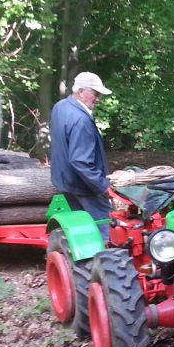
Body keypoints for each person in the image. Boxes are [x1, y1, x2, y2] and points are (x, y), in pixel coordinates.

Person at [50, 71, 114, 240]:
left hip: (66, 182)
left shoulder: (60, 107)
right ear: (81, 92)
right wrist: (102, 186)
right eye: (95, 94)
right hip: (84, 187)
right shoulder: (81, 119)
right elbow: (80, 161)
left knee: (85, 230)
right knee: (108, 229)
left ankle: (87, 263)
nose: (98, 99)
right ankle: (105, 261)